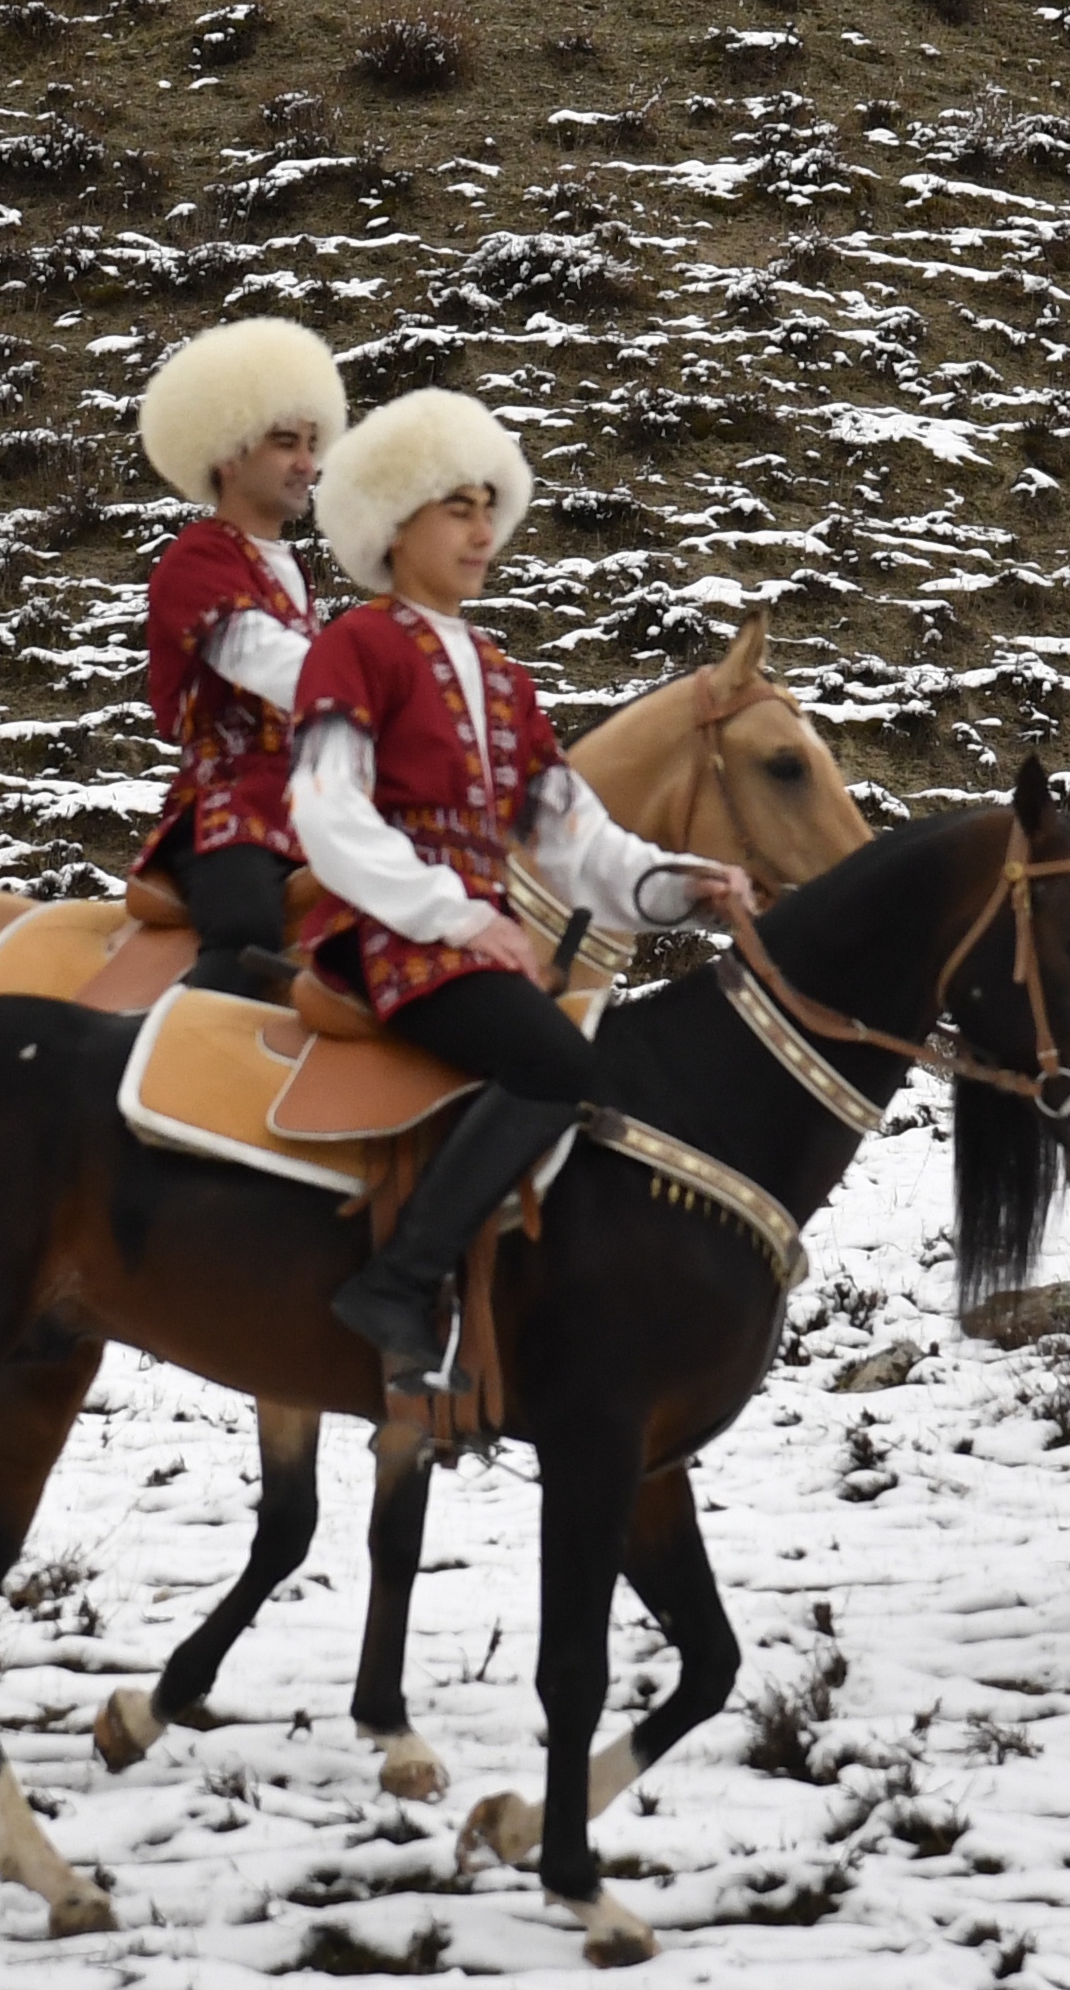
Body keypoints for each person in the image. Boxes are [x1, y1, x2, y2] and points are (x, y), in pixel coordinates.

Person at [290, 389, 748, 1387]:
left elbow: (573, 832)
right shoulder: (355, 645)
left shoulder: (501, 674)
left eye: (489, 505)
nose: (481, 529)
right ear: (392, 522)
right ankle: (397, 1281)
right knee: (559, 1068)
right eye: (455, 505)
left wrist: (677, 884)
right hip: (392, 936)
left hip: (468, 940)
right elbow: (328, 811)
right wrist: (458, 917)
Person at [133, 317, 347, 994]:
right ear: (229, 453)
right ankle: (170, 1082)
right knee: (249, 935)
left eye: (312, 444)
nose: (308, 463)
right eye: (287, 443)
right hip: (230, 815)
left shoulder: (293, 569)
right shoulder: (196, 558)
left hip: (312, 811)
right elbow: (262, 659)